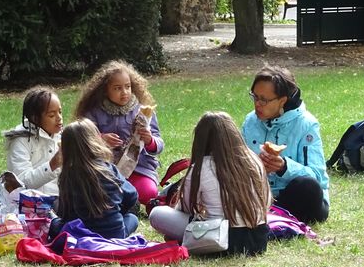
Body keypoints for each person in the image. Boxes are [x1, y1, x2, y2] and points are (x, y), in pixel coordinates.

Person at [150, 112, 271, 255]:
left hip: (217, 238)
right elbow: (267, 201)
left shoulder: (202, 167)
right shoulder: (253, 159)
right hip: (257, 239)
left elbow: (186, 208)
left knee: (157, 214)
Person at [241, 66, 329, 223]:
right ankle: (268, 216)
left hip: (293, 196)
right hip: (258, 195)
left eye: (264, 100)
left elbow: (317, 177)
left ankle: (271, 217)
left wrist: (284, 167)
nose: (257, 104)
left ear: (283, 100)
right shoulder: (250, 121)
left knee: (308, 187)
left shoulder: (307, 124)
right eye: (255, 97)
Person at [75, 60, 164, 211]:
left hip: (140, 167)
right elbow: (81, 138)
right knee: (99, 191)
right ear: (105, 90)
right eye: (117, 88)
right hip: (106, 168)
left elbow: (159, 143)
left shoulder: (143, 110)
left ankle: (127, 199)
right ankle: (122, 200)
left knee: (148, 193)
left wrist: (149, 140)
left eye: (128, 87)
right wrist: (100, 139)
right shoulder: (94, 111)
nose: (124, 92)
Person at [55, 119, 139, 239]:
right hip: (114, 235)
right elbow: (132, 196)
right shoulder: (109, 169)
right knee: (133, 218)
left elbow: (64, 212)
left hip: (79, 234)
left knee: (55, 224)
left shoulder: (66, 176)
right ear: (95, 141)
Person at [3, 86, 63, 195]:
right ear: (35, 118)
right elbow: (21, 183)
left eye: (60, 112)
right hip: (32, 204)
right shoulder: (20, 141)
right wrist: (52, 165)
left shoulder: (63, 136)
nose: (59, 118)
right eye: (52, 115)